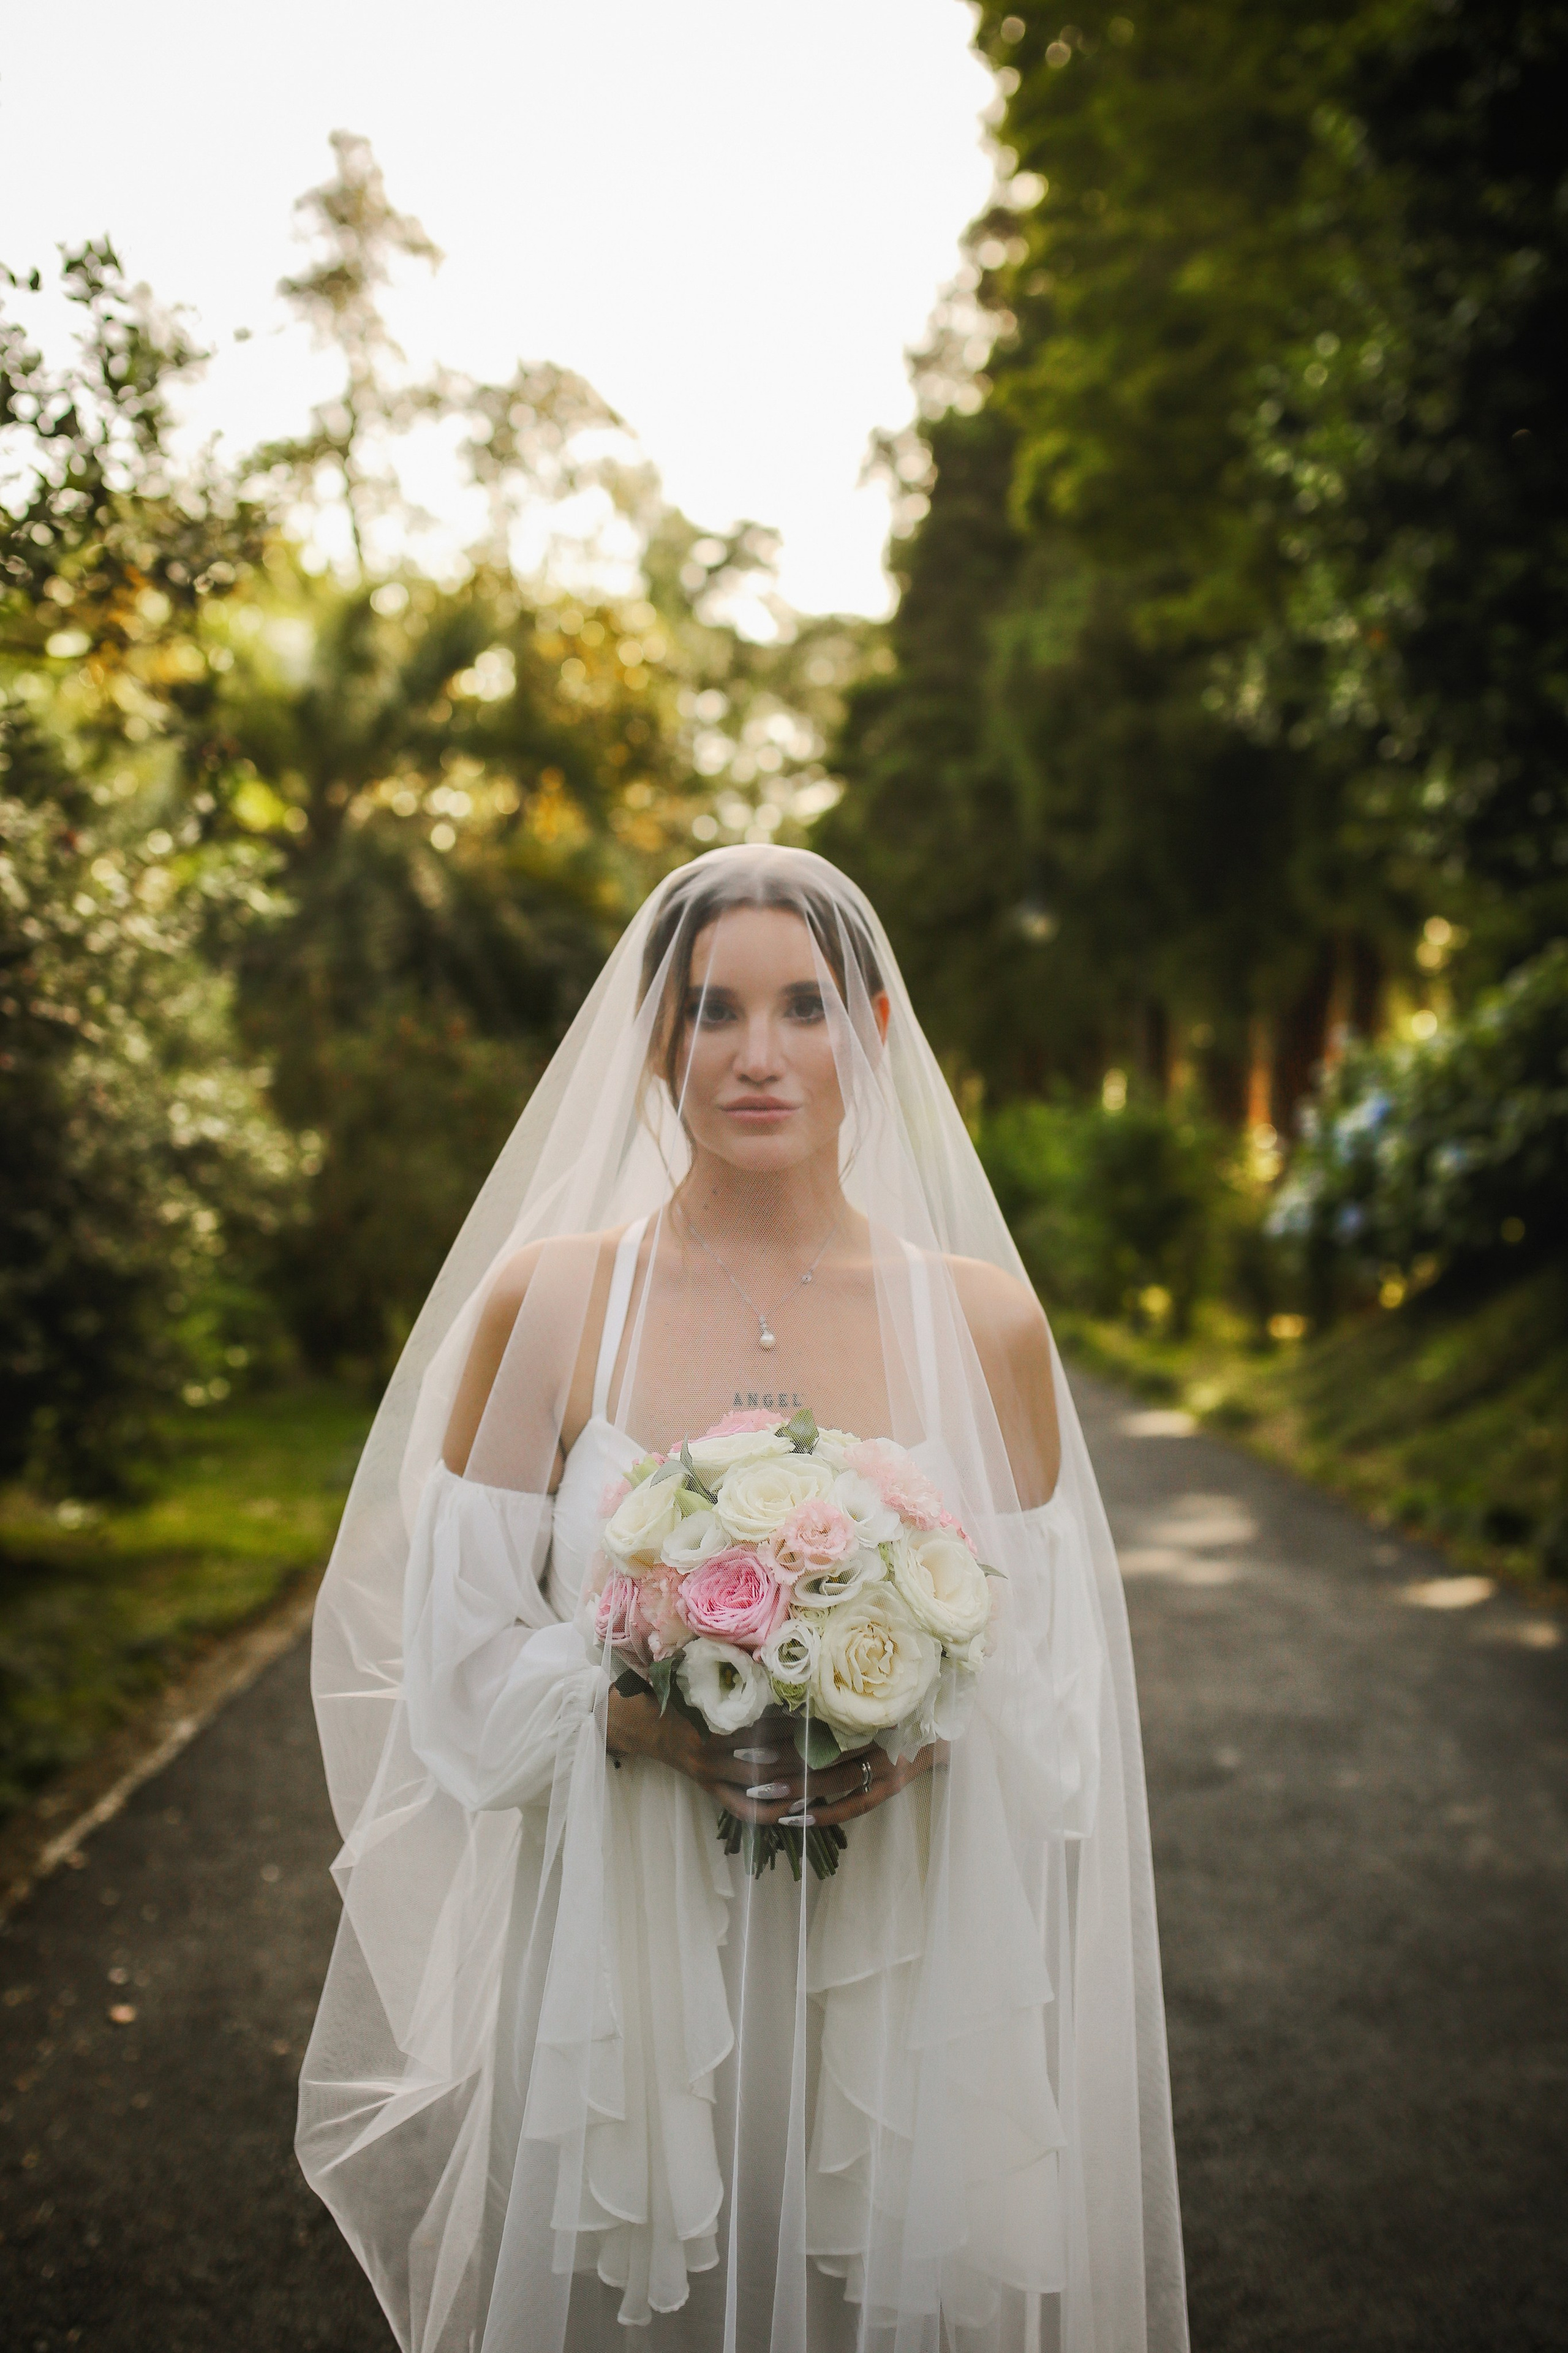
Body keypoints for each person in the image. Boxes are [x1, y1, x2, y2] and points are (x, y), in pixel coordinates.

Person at [297, 845, 1188, 2353]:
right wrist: (647, 1719)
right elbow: (447, 1673)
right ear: (653, 1039)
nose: (757, 1055)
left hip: (901, 1960)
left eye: (803, 1007)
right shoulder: (551, 1300)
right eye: (711, 1011)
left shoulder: (985, 1323)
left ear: (877, 1032)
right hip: (618, 1979)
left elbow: (1049, 1697)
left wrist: (909, 1716)